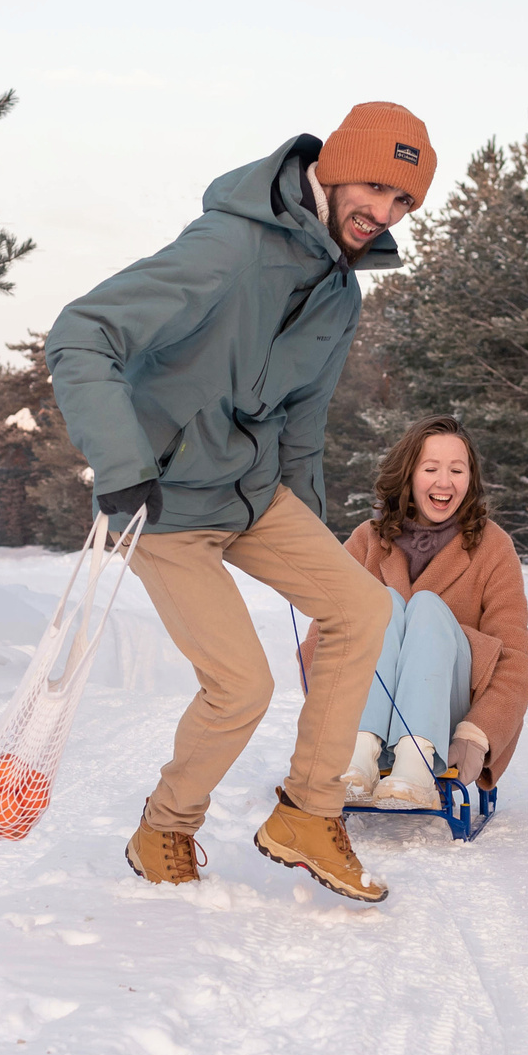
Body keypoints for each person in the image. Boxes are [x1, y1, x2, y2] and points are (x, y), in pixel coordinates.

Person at [46, 104, 438, 903]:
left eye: (404, 202)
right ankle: (164, 828)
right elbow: (81, 332)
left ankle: (306, 812)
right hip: (166, 504)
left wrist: (316, 534)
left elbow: (303, 419)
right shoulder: (228, 249)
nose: (384, 213)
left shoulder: (339, 295)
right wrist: (121, 464)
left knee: (363, 607)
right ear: (331, 167)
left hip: (254, 494)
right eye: (374, 187)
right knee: (242, 687)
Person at [311, 417, 528, 809]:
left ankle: (415, 763)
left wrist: (478, 734)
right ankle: (359, 752)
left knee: (427, 607)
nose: (444, 482)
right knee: (385, 605)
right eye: (431, 469)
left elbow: (514, 656)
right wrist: (328, 716)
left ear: (471, 479)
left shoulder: (493, 547)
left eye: (457, 470)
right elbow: (324, 631)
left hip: (445, 721)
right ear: (409, 474)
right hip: (361, 710)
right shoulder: (369, 540)